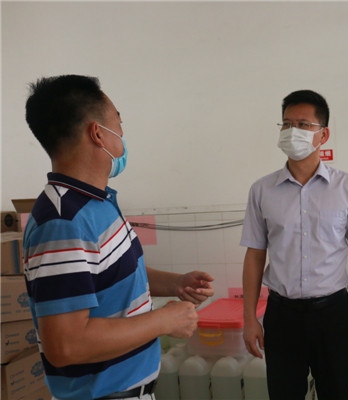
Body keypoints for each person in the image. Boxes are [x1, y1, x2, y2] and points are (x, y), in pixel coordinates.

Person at [22, 74, 215, 400]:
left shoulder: (96, 203)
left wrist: (176, 284)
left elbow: (107, 275)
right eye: (118, 124)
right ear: (98, 133)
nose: (123, 136)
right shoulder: (63, 222)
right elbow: (65, 345)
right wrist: (163, 321)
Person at [240, 89, 348, 400]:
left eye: (303, 125)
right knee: (284, 394)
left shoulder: (347, 187)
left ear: (323, 135)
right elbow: (254, 255)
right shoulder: (262, 190)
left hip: (333, 313)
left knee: (337, 393)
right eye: (287, 124)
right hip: (282, 314)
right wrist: (249, 318)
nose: (292, 132)